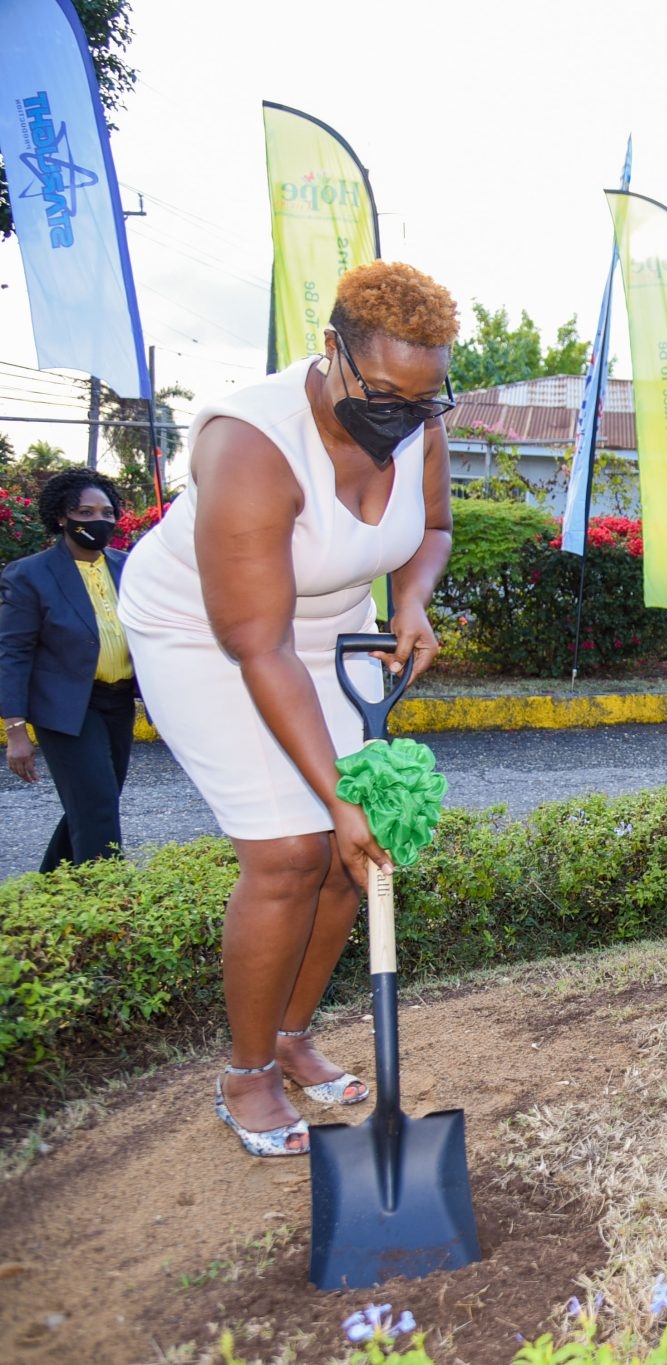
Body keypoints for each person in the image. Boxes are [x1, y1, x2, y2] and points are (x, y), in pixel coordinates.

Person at [118, 261, 457, 1157]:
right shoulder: (249, 443)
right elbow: (256, 644)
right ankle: (246, 1072)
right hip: (211, 634)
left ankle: (292, 1034)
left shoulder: (422, 417)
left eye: (422, 400)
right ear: (333, 352)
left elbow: (433, 528)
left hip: (331, 629)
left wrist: (413, 599)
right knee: (290, 851)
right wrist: (333, 797)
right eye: (383, 392)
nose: (403, 414)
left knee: (357, 854)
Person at [1, 468, 138, 871]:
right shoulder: (29, 575)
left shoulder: (128, 566)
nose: (99, 521)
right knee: (96, 806)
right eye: (84, 511)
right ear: (62, 516)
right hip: (67, 709)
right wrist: (15, 730)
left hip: (118, 701)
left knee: (97, 801)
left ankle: (50, 888)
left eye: (107, 512)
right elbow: (12, 651)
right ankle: (106, 903)